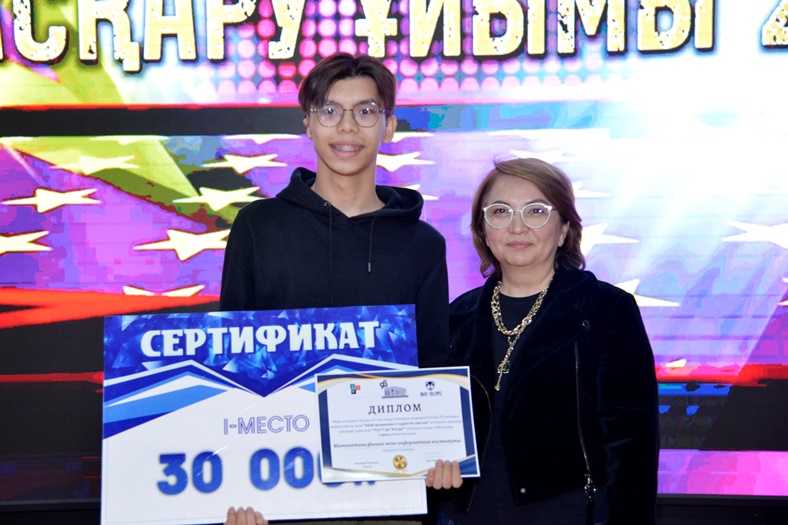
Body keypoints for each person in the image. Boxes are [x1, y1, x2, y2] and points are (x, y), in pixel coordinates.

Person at [219, 52, 460, 524]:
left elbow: (432, 367)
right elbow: (231, 359)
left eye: (366, 111)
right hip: (278, 492)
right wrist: (235, 488)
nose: (347, 126)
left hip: (387, 495)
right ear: (308, 124)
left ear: (388, 127)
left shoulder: (423, 244)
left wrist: (443, 449)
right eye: (330, 111)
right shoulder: (257, 227)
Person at [432, 158, 659, 525]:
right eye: (500, 211)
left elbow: (633, 444)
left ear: (565, 229)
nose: (517, 226)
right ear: (483, 229)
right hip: (464, 517)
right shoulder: (456, 317)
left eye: (536, 211)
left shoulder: (606, 310)